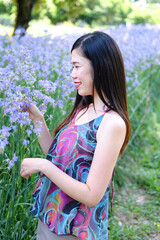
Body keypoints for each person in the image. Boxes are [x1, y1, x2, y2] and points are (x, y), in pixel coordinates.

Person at [20, 31, 131, 240]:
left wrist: (43, 166)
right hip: (51, 216)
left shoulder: (111, 123)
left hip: (75, 228)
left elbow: (91, 195)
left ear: (99, 67)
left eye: (77, 66)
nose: (72, 74)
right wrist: (37, 119)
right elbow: (59, 158)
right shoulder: (83, 109)